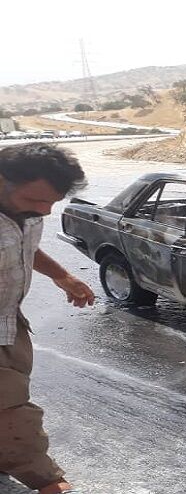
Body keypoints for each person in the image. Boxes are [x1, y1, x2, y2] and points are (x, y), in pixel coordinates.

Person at [0, 143, 95, 494]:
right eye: (36, 200)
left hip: (10, 320)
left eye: (51, 203)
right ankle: (43, 478)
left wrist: (61, 275)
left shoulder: (24, 211)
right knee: (9, 405)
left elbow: (23, 246)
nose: (44, 210)